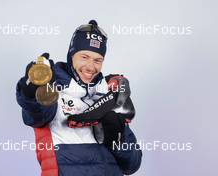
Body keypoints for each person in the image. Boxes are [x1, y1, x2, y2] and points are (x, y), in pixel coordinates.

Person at [16, 20, 142, 176]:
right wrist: (31, 90)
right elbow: (35, 113)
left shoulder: (110, 96)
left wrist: (117, 139)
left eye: (97, 60)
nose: (90, 66)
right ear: (71, 55)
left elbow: (132, 165)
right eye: (84, 57)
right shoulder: (52, 89)